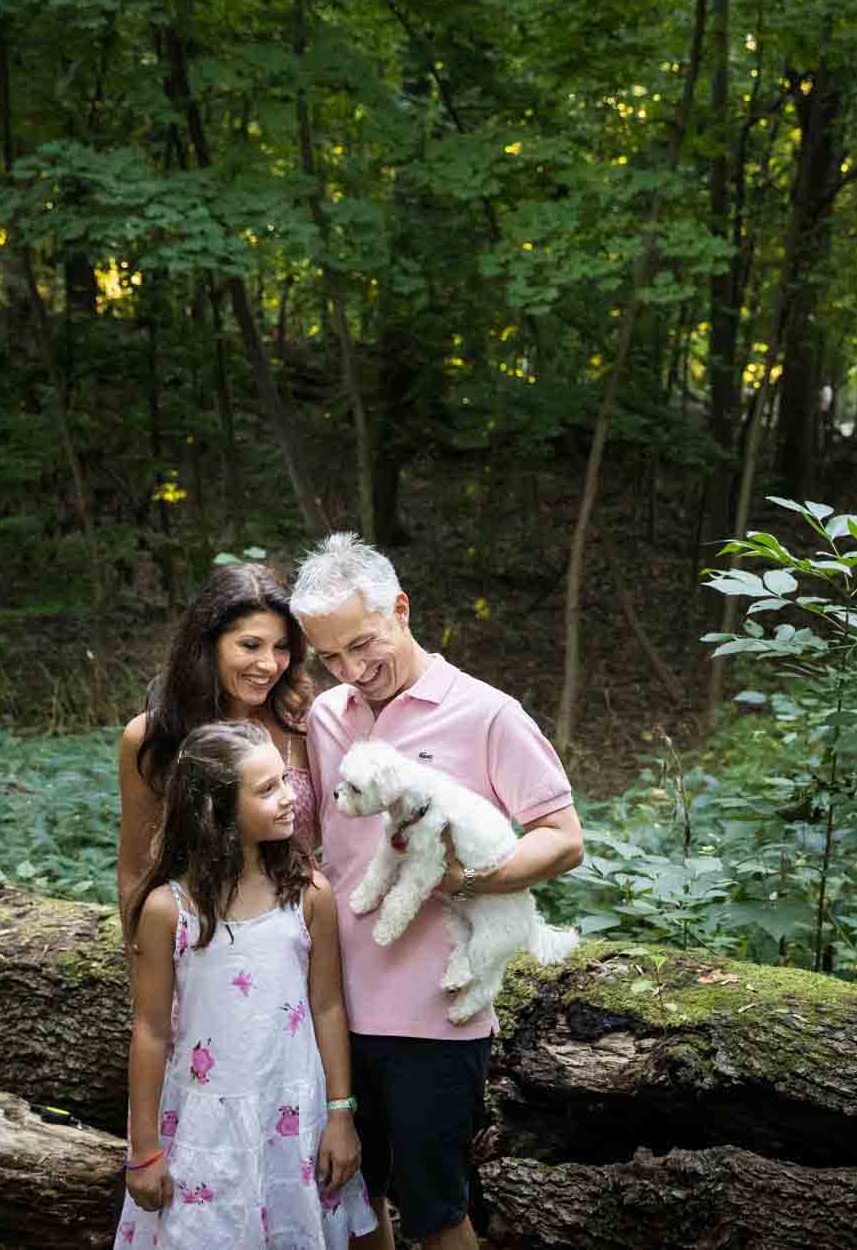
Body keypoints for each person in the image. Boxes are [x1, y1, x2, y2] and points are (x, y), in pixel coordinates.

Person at [290, 533, 584, 1250]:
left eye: (363, 644)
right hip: (330, 1005)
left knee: (437, 1212)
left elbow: (563, 838)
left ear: (401, 607)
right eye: (330, 656)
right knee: (353, 1203)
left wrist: (470, 879)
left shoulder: (486, 712)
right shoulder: (326, 718)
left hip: (436, 1019)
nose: (352, 670)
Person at [116, 719, 377, 1249]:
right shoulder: (171, 909)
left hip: (292, 1118)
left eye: (284, 780)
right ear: (215, 809)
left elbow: (327, 1007)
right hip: (203, 1124)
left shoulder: (308, 894)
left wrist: (341, 1115)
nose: (288, 798)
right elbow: (149, 1029)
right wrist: (143, 1150)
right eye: (267, 789)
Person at [118, 564, 317, 937]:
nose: (269, 664)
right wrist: (145, 966)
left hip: (295, 943)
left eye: (282, 647)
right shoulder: (152, 735)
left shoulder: (307, 726)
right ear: (208, 643)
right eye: (250, 645)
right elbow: (135, 870)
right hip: (196, 951)